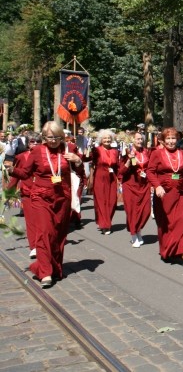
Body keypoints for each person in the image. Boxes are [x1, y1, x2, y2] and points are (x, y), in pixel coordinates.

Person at [9, 122, 84, 288]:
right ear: (44, 137)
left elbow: (81, 174)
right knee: (45, 233)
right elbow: (26, 173)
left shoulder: (67, 150)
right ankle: (45, 272)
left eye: (57, 137)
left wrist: (78, 161)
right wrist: (11, 171)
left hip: (62, 198)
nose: (54, 141)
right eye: (50, 137)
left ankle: (55, 268)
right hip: (41, 197)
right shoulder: (36, 151)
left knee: (58, 235)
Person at [147, 127, 183, 266]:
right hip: (164, 194)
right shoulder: (157, 154)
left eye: (173, 138)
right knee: (166, 223)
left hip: (181, 193)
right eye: (168, 139)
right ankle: (168, 251)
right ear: (163, 141)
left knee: (181, 222)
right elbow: (150, 172)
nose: (170, 141)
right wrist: (157, 185)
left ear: (178, 139)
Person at [6, 132, 41, 258]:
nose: (35, 144)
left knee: (42, 222)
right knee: (31, 222)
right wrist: (8, 193)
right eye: (32, 142)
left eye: (38, 142)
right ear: (28, 144)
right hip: (27, 193)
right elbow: (16, 176)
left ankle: (42, 244)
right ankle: (34, 246)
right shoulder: (21, 157)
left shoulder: (45, 156)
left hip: (43, 194)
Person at [120, 132, 151, 248]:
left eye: (141, 139)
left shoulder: (145, 151)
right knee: (132, 211)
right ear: (132, 140)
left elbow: (150, 167)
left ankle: (138, 229)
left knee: (146, 210)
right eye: (137, 139)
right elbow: (121, 172)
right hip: (130, 185)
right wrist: (129, 160)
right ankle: (134, 235)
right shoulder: (126, 152)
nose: (140, 141)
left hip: (143, 184)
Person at [90, 129, 120, 234]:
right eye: (105, 138)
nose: (107, 140)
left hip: (111, 178)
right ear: (101, 140)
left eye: (109, 138)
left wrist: (120, 178)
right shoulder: (96, 150)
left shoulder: (115, 151)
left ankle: (106, 221)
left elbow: (117, 166)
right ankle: (105, 225)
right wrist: (87, 149)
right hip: (100, 177)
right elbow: (87, 158)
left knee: (112, 201)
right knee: (101, 201)